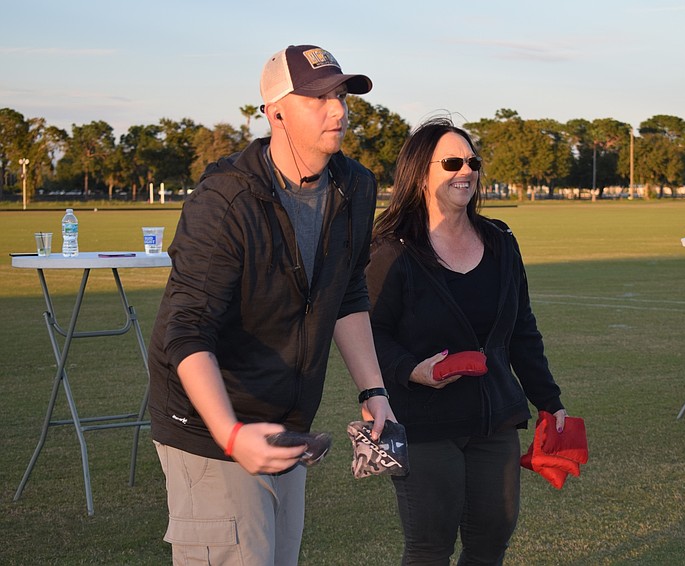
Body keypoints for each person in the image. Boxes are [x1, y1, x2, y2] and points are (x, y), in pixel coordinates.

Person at [147, 44, 394, 565]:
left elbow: (348, 292)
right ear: (275, 110)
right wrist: (231, 433)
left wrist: (374, 391)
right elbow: (186, 329)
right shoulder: (225, 199)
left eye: (342, 95)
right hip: (210, 426)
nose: (338, 110)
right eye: (318, 98)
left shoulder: (356, 186)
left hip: (285, 425)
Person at [365, 117, 569, 565]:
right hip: (422, 422)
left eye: (473, 162)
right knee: (430, 544)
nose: (467, 171)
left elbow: (522, 330)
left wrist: (550, 402)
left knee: (492, 537)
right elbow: (367, 331)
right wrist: (410, 370)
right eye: (453, 162)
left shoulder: (500, 242)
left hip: (492, 419)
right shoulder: (392, 250)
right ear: (420, 174)